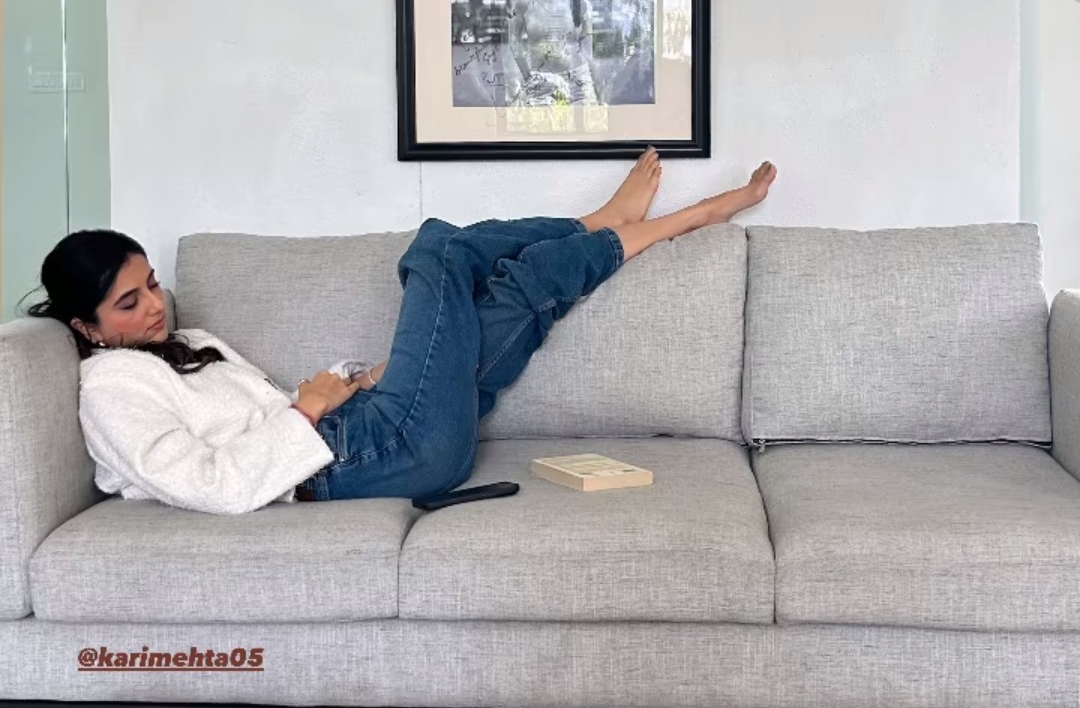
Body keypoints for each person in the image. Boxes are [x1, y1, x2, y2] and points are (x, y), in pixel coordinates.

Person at [26, 152, 778, 515]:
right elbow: (209, 483)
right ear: (85, 326)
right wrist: (308, 410)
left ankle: (685, 219)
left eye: (152, 284)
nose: (155, 307)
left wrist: (358, 381)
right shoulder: (111, 388)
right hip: (364, 456)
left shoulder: (188, 344)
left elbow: (281, 412)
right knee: (438, 247)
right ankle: (599, 221)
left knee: (521, 291)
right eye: (128, 304)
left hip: (379, 430)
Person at [510, 0, 597, 105]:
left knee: (584, 123)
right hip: (540, 86)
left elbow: (588, 54)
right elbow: (514, 42)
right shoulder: (525, 2)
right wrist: (528, 77)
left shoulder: (583, 5)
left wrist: (594, 90)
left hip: (579, 85)